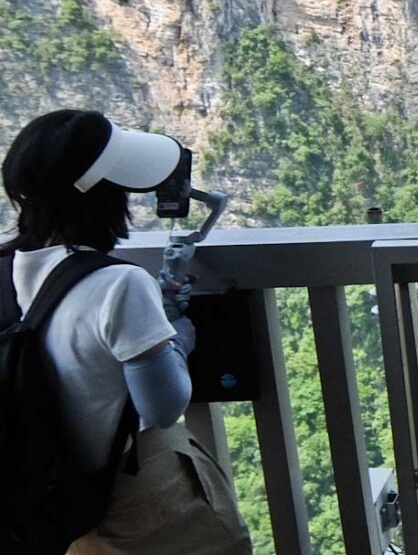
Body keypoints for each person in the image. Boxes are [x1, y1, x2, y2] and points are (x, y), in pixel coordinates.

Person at [1, 109, 252, 555]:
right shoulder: (120, 284)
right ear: (108, 198)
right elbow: (162, 405)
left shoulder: (5, 269)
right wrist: (176, 333)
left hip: (48, 499)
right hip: (133, 507)